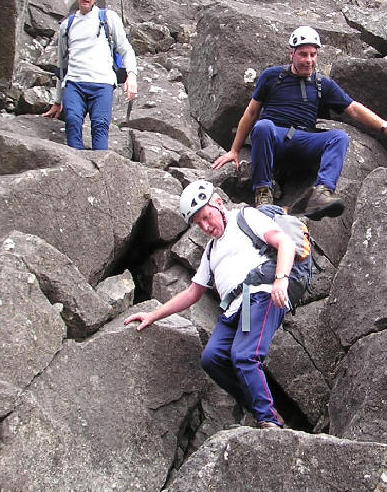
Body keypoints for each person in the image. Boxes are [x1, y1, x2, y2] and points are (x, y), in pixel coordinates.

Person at [124, 180, 294, 429]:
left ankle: (268, 420)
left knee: (244, 355)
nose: (205, 226)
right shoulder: (211, 251)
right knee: (212, 358)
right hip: (236, 308)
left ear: (217, 202)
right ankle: (264, 409)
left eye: (205, 217)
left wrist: (281, 280)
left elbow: (285, 243)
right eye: (198, 223)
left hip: (258, 295)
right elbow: (193, 292)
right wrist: (153, 315)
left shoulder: (245, 217)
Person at [212, 26, 387, 218]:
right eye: (303, 54)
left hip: (302, 141)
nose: (309, 60)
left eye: (313, 55)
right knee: (263, 126)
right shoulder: (271, 77)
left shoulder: (322, 84)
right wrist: (234, 150)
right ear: (292, 54)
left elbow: (354, 110)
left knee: (339, 137)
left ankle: (321, 193)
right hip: (274, 138)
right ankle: (263, 193)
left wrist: (386, 127)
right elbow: (251, 112)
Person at [42, 0, 138, 150]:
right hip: (75, 83)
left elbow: (126, 49)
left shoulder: (109, 19)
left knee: (100, 126)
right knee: (72, 121)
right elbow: (62, 67)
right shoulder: (66, 26)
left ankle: (100, 172)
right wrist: (57, 101)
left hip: (102, 84)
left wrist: (131, 76)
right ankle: (77, 171)